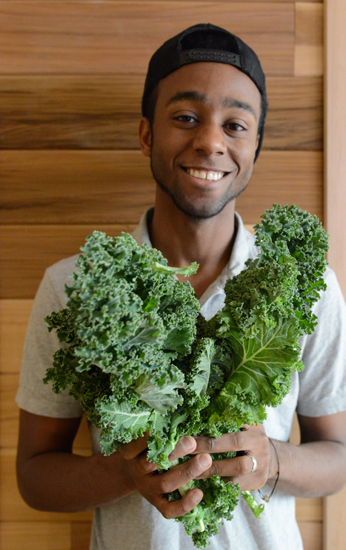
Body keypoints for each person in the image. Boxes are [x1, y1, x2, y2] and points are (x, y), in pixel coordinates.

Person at [16, 23, 346, 550]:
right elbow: (34, 477)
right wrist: (123, 474)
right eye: (186, 118)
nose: (210, 141)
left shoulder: (305, 285)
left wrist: (271, 459)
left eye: (236, 125)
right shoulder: (77, 286)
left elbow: (339, 456)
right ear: (147, 133)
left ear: (256, 145)